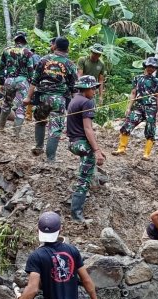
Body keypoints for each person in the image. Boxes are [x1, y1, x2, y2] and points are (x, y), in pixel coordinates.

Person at [28, 36, 77, 162]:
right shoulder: (70, 64)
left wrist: (28, 97)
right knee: (55, 129)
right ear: (68, 49)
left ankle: (39, 147)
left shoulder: (43, 60)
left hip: (43, 97)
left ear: (55, 46)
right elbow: (73, 87)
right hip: (59, 100)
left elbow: (34, 80)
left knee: (40, 121)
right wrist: (76, 105)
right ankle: (50, 159)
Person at [67, 75, 107, 222]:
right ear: (85, 89)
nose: (95, 91)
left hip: (73, 143)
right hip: (81, 144)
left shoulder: (74, 99)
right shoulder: (87, 102)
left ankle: (76, 208)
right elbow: (88, 129)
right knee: (84, 180)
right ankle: (76, 215)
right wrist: (96, 151)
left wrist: (98, 148)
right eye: (93, 88)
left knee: (85, 172)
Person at [113, 57, 158, 160]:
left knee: (150, 129)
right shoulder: (137, 78)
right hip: (138, 106)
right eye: (150, 66)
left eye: (153, 67)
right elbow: (133, 93)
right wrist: (128, 108)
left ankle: (146, 154)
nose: (151, 69)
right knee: (128, 125)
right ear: (146, 66)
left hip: (151, 107)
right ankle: (121, 148)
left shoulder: (156, 81)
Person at [0, 31, 35, 137]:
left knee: (6, 104)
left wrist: (1, 82)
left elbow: (2, 67)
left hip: (9, 81)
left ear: (15, 41)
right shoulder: (27, 52)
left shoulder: (6, 51)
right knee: (21, 107)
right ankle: (16, 133)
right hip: (22, 81)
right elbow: (30, 70)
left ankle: (1, 127)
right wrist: (31, 84)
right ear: (24, 41)